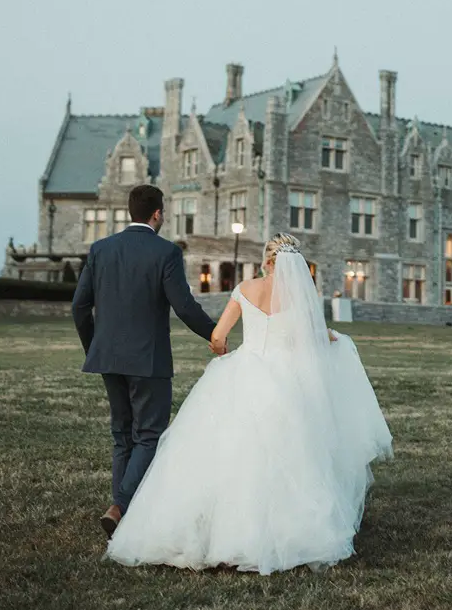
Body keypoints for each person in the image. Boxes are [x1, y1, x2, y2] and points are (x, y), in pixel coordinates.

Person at [105, 233, 393, 574]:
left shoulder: (245, 288)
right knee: (290, 458)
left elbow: (218, 336)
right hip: (287, 383)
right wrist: (337, 339)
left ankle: (210, 530)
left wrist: (220, 349)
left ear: (266, 261)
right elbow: (316, 337)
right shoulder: (301, 297)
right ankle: (279, 532)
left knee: (225, 453)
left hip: (244, 372)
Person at [71, 184, 222, 537]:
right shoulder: (166, 252)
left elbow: (79, 307)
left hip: (107, 356)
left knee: (122, 436)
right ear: (157, 214)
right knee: (148, 435)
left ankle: (120, 513)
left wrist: (94, 347)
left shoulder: (100, 249)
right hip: (148, 360)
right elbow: (184, 306)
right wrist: (214, 335)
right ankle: (121, 507)